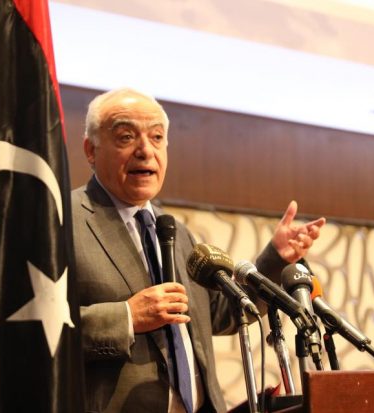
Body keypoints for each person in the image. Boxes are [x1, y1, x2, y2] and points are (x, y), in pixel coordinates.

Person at [71, 88, 325, 412]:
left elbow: (224, 313)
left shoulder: (175, 232)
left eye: (157, 137)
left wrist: (276, 257)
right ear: (90, 150)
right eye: (126, 137)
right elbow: (32, 331)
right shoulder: (62, 221)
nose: (145, 150)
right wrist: (127, 317)